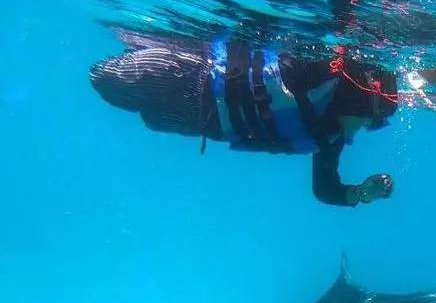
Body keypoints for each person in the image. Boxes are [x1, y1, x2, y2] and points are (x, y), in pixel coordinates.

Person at [89, 31, 397, 207]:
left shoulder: (330, 136)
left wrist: (360, 194)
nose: (364, 131)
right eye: (370, 122)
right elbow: (323, 48)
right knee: (104, 78)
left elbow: (324, 188)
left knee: (146, 115)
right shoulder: (320, 74)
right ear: (356, 105)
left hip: (199, 119)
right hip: (196, 71)